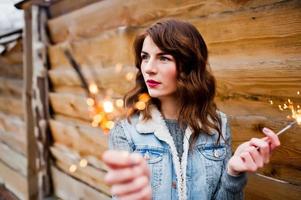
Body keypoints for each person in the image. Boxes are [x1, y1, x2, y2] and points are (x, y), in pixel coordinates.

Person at [102, 19, 280, 200]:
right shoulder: (125, 130)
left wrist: (233, 173)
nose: (148, 68)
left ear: (189, 66)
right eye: (145, 57)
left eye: (163, 58)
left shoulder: (217, 125)